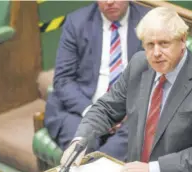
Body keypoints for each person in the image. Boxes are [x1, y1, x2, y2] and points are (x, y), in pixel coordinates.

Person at [62, 7, 192, 172]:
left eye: (164, 43)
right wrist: (80, 141)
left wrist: (153, 170)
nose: (156, 53)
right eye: (149, 45)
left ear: (183, 40)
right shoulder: (140, 64)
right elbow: (106, 108)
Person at [44, 1, 149, 161]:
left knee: (111, 152)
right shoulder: (77, 22)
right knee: (82, 148)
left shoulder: (149, 21)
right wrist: (94, 113)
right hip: (80, 110)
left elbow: (159, 78)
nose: (109, 2)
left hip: (131, 115)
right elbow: (63, 80)